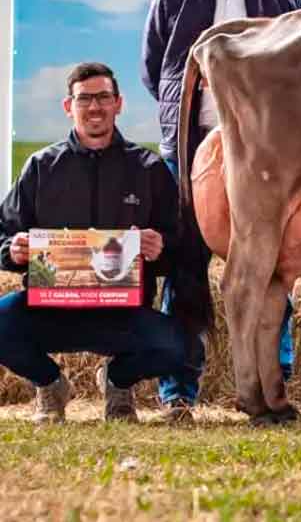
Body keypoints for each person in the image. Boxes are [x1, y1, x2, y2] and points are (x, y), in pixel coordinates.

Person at [140, 0, 301, 422]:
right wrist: (184, 126)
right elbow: (156, 71)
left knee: (273, 265)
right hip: (192, 152)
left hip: (266, 157)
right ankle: (178, 391)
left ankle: (270, 380)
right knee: (185, 269)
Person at [0, 63, 192, 423]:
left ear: (118, 103)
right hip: (49, 310)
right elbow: (4, 233)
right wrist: (11, 250)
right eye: (84, 98)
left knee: (181, 347)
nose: (94, 107)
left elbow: (180, 245)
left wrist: (161, 248)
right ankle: (51, 384)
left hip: (122, 313)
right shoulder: (41, 167)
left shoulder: (148, 169)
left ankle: (118, 382)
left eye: (103, 97)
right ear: (68, 106)